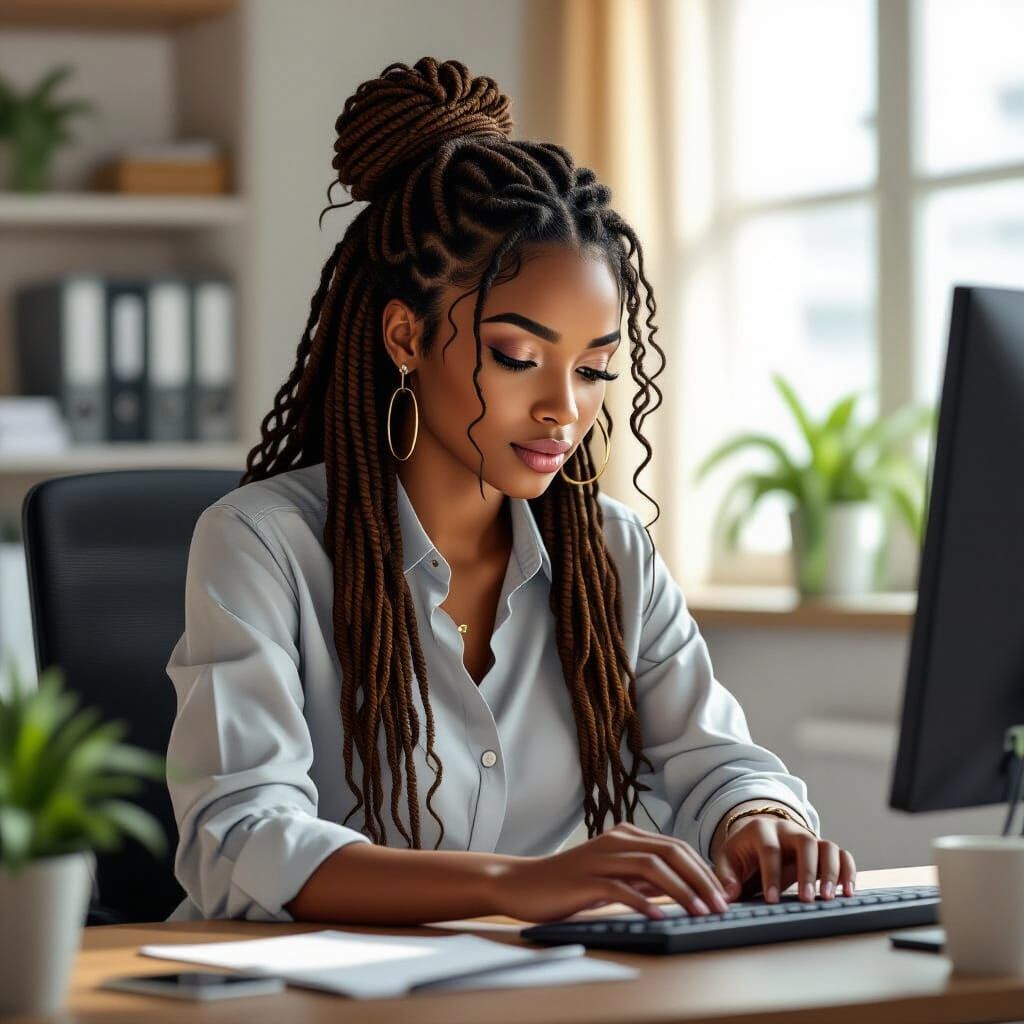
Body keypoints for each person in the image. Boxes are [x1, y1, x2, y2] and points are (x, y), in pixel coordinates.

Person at [164, 57, 856, 926]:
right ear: (406, 335)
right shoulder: (261, 543)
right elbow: (241, 839)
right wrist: (515, 885)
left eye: (597, 368)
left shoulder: (608, 550)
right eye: (519, 357)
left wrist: (760, 817)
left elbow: (716, 760)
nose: (564, 409)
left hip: (530, 991)